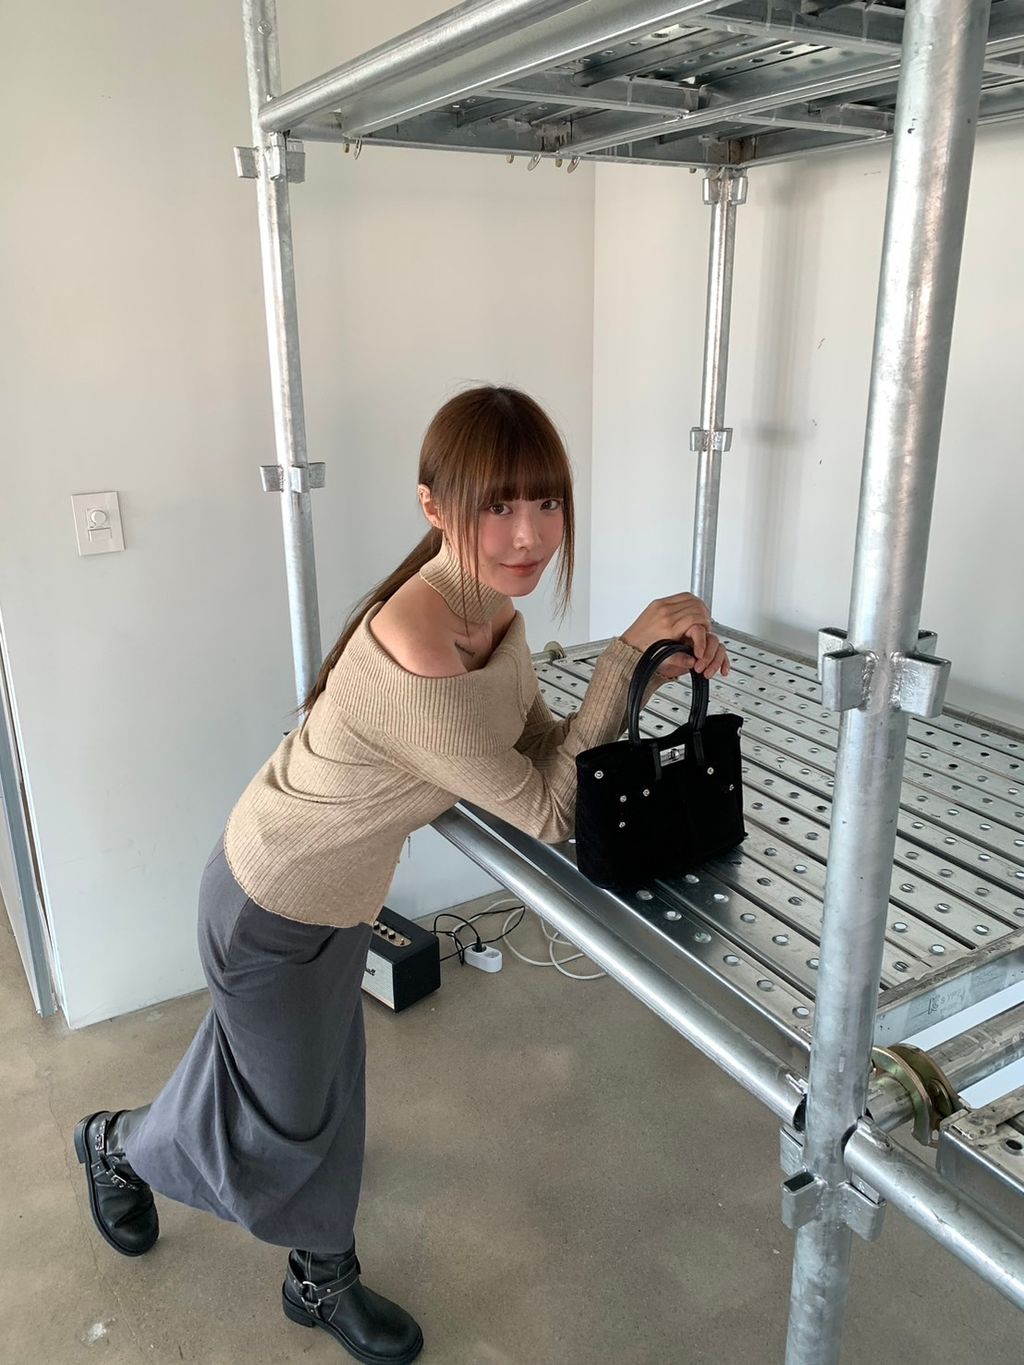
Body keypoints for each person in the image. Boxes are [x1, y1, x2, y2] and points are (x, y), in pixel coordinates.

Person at [74, 386, 728, 1364]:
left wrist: (636, 677)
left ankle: (280, 1240)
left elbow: (533, 744)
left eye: (546, 500)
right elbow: (550, 810)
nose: (529, 534)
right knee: (288, 1120)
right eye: (497, 505)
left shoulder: (489, 612)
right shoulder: (421, 640)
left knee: (307, 1082)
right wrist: (620, 658)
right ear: (432, 506)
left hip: (324, 898)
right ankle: (135, 1160)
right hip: (272, 903)